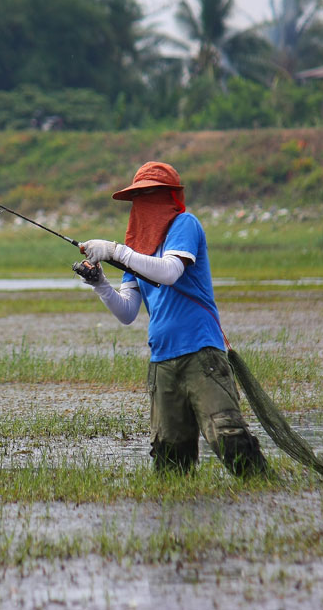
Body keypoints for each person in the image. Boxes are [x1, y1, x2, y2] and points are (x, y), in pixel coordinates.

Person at [75, 161, 268, 478]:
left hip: (201, 352)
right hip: (162, 360)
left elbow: (169, 272)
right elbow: (127, 312)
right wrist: (100, 284)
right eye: (140, 195)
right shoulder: (136, 248)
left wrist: (114, 250)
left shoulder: (184, 225)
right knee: (170, 456)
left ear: (169, 197)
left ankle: (264, 488)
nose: (145, 202)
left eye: (152, 193)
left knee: (228, 436)